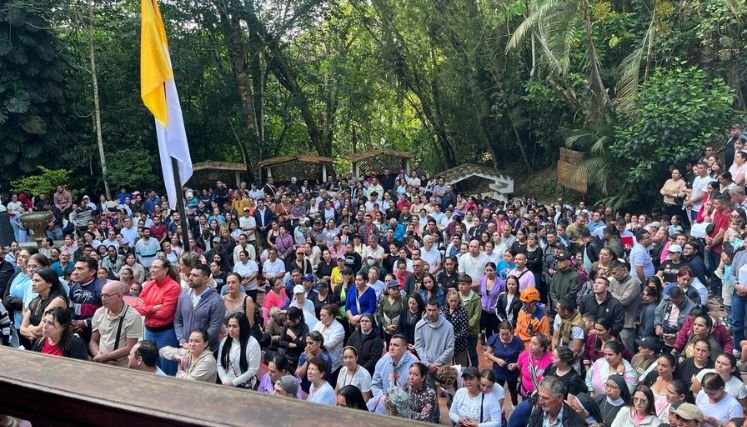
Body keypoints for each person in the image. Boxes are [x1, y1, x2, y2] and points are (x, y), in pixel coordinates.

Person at [134, 258, 181, 376]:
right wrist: (153, 308)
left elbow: (165, 313)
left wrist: (146, 309)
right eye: (151, 267)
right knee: (150, 365)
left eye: (156, 267)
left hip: (165, 332)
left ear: (165, 270)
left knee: (167, 367)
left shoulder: (173, 287)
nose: (152, 270)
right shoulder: (149, 284)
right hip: (149, 330)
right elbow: (137, 307)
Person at [89, 281, 143, 367]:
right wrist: (99, 357)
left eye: (107, 295)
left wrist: (104, 358)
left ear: (120, 296)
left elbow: (130, 347)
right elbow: (93, 341)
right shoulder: (99, 312)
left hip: (121, 366)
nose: (103, 298)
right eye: (102, 295)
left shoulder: (133, 316)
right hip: (101, 363)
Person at [20, 267, 69, 343]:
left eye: (37, 281)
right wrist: (32, 331)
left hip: (54, 345)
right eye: (32, 280)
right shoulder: (35, 301)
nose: (33, 284)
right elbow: (22, 328)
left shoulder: (57, 300)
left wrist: (29, 327)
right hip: (36, 344)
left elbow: (40, 331)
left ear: (49, 283)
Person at [370, 334, 417, 410]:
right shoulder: (382, 361)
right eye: (390, 344)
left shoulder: (414, 365)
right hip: (385, 403)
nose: (391, 348)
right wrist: (383, 398)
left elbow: (418, 391)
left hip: (406, 407)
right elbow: (375, 385)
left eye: (396, 345)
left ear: (404, 348)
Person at [485, 320, 524, 406]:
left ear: (511, 331)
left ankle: (514, 406)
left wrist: (516, 364)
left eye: (507, 334)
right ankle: (496, 407)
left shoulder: (517, 341)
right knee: (497, 390)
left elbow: (523, 356)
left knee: (513, 391)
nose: (504, 337)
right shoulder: (495, 338)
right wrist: (497, 360)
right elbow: (488, 354)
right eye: (502, 334)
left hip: (512, 372)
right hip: (498, 371)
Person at [217, 312, 261, 388]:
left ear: (243, 327)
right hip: (226, 383)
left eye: (235, 326)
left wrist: (233, 383)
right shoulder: (225, 341)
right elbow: (219, 364)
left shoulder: (253, 344)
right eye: (229, 326)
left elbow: (252, 370)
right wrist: (225, 380)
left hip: (244, 386)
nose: (231, 329)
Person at [515, 333, 553, 398]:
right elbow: (519, 368)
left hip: (542, 396)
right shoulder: (523, 355)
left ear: (542, 348)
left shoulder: (551, 358)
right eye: (530, 342)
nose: (530, 345)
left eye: (534, 344)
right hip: (525, 393)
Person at [443, 288, 470, 366]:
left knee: (461, 368)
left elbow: (464, 331)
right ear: (447, 300)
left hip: (459, 346)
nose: (453, 303)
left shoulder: (463, 311)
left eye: (455, 301)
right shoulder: (443, 309)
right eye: (451, 301)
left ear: (459, 300)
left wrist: (452, 338)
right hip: (445, 346)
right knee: (447, 369)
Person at [278, 307, 309, 372]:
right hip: (286, 353)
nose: (288, 321)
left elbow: (303, 344)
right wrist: (292, 344)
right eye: (287, 319)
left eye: (290, 319)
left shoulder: (304, 327)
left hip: (297, 356)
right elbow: (281, 341)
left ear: (297, 318)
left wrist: (293, 336)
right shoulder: (287, 326)